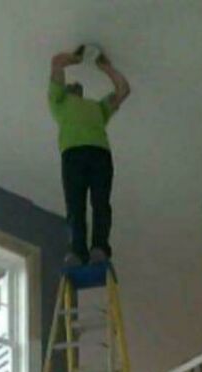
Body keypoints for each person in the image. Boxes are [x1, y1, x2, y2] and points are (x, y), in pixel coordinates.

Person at [48, 46, 131, 266]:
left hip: (99, 154)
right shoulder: (58, 102)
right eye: (70, 85)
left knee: (101, 203)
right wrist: (75, 58)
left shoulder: (98, 107)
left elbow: (123, 90)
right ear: (65, 91)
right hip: (73, 155)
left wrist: (106, 68)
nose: (75, 84)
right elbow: (57, 61)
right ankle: (77, 251)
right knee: (75, 206)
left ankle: (99, 248)